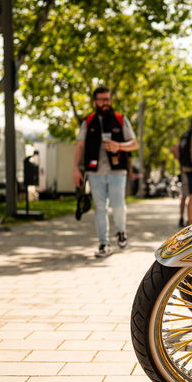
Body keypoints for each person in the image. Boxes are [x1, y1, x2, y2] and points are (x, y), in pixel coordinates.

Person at [73, 87, 138, 257]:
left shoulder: (120, 119)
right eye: (101, 100)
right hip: (94, 172)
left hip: (117, 171)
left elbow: (134, 143)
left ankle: (121, 231)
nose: (105, 103)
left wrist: (119, 146)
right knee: (100, 208)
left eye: (107, 99)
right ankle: (104, 243)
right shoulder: (88, 121)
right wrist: (76, 169)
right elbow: (80, 146)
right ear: (95, 102)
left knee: (118, 206)